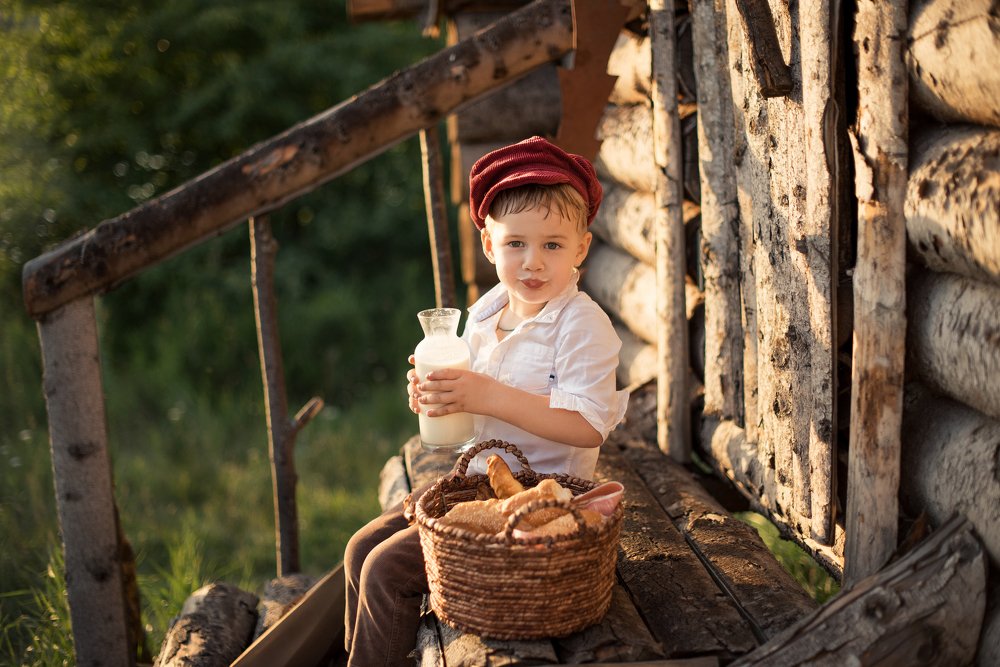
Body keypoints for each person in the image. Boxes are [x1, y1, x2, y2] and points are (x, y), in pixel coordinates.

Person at [342, 135, 628, 666]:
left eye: (552, 245)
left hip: (540, 504)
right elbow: (471, 399)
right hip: (480, 485)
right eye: (516, 243)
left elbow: (588, 426)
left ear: (581, 248)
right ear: (489, 245)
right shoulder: (486, 312)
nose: (533, 262)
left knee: (385, 571)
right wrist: (438, 395)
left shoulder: (581, 323)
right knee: (360, 548)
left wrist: (487, 394)